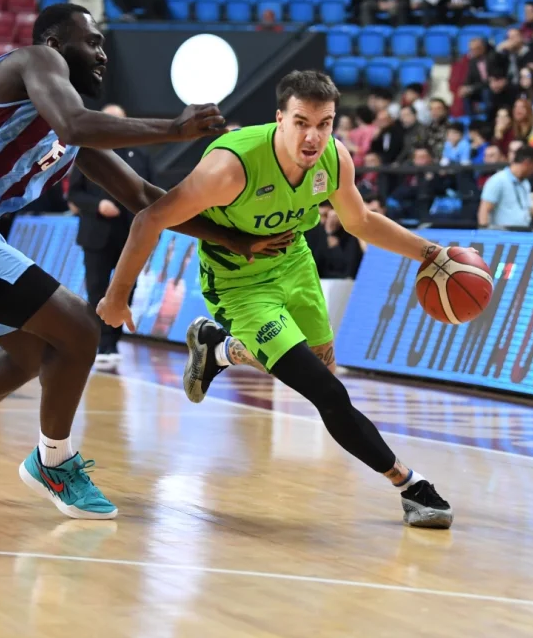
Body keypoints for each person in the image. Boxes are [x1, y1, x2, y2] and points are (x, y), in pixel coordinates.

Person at [0, 4, 289, 520]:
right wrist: (174, 128)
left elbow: (143, 195)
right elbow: (75, 124)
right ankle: (53, 462)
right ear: (56, 44)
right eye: (92, 42)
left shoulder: (68, 132)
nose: (102, 55)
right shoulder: (35, 62)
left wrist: (233, 239)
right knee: (80, 327)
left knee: (34, 353)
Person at [95, 70, 454, 529]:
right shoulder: (231, 167)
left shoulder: (334, 158)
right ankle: (410, 485)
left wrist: (431, 253)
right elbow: (150, 218)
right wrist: (116, 296)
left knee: (321, 369)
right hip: (240, 285)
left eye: (324, 124)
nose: (313, 137)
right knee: (326, 391)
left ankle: (220, 350)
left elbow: (360, 222)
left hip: (294, 263)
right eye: (302, 122)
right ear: (280, 119)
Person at [66, 103, 152, 372]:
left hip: (132, 236)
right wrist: (98, 205)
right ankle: (101, 341)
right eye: (110, 120)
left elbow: (153, 195)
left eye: (120, 120)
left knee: (127, 287)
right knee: (97, 287)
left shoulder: (140, 155)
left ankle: (114, 339)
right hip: (96, 233)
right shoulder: (88, 153)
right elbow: (74, 194)